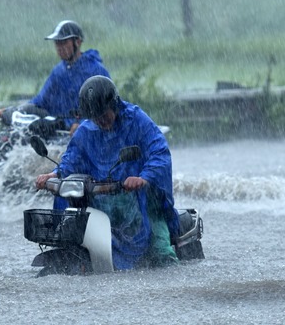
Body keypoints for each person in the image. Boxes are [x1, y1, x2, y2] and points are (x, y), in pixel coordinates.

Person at [35, 76, 179, 270]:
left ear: (114, 105)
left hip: (140, 201)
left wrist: (144, 178)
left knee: (161, 254)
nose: (100, 121)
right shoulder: (86, 131)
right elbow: (72, 158)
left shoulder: (137, 120)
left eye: (104, 114)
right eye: (95, 117)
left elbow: (159, 151)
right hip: (101, 202)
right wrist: (55, 175)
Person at [0, 20, 110, 137]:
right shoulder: (59, 71)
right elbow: (40, 102)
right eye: (57, 43)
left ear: (78, 42)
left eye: (64, 42)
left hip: (88, 135)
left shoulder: (96, 71)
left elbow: (106, 108)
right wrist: (13, 111)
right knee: (12, 135)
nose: (60, 48)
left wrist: (83, 124)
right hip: (60, 127)